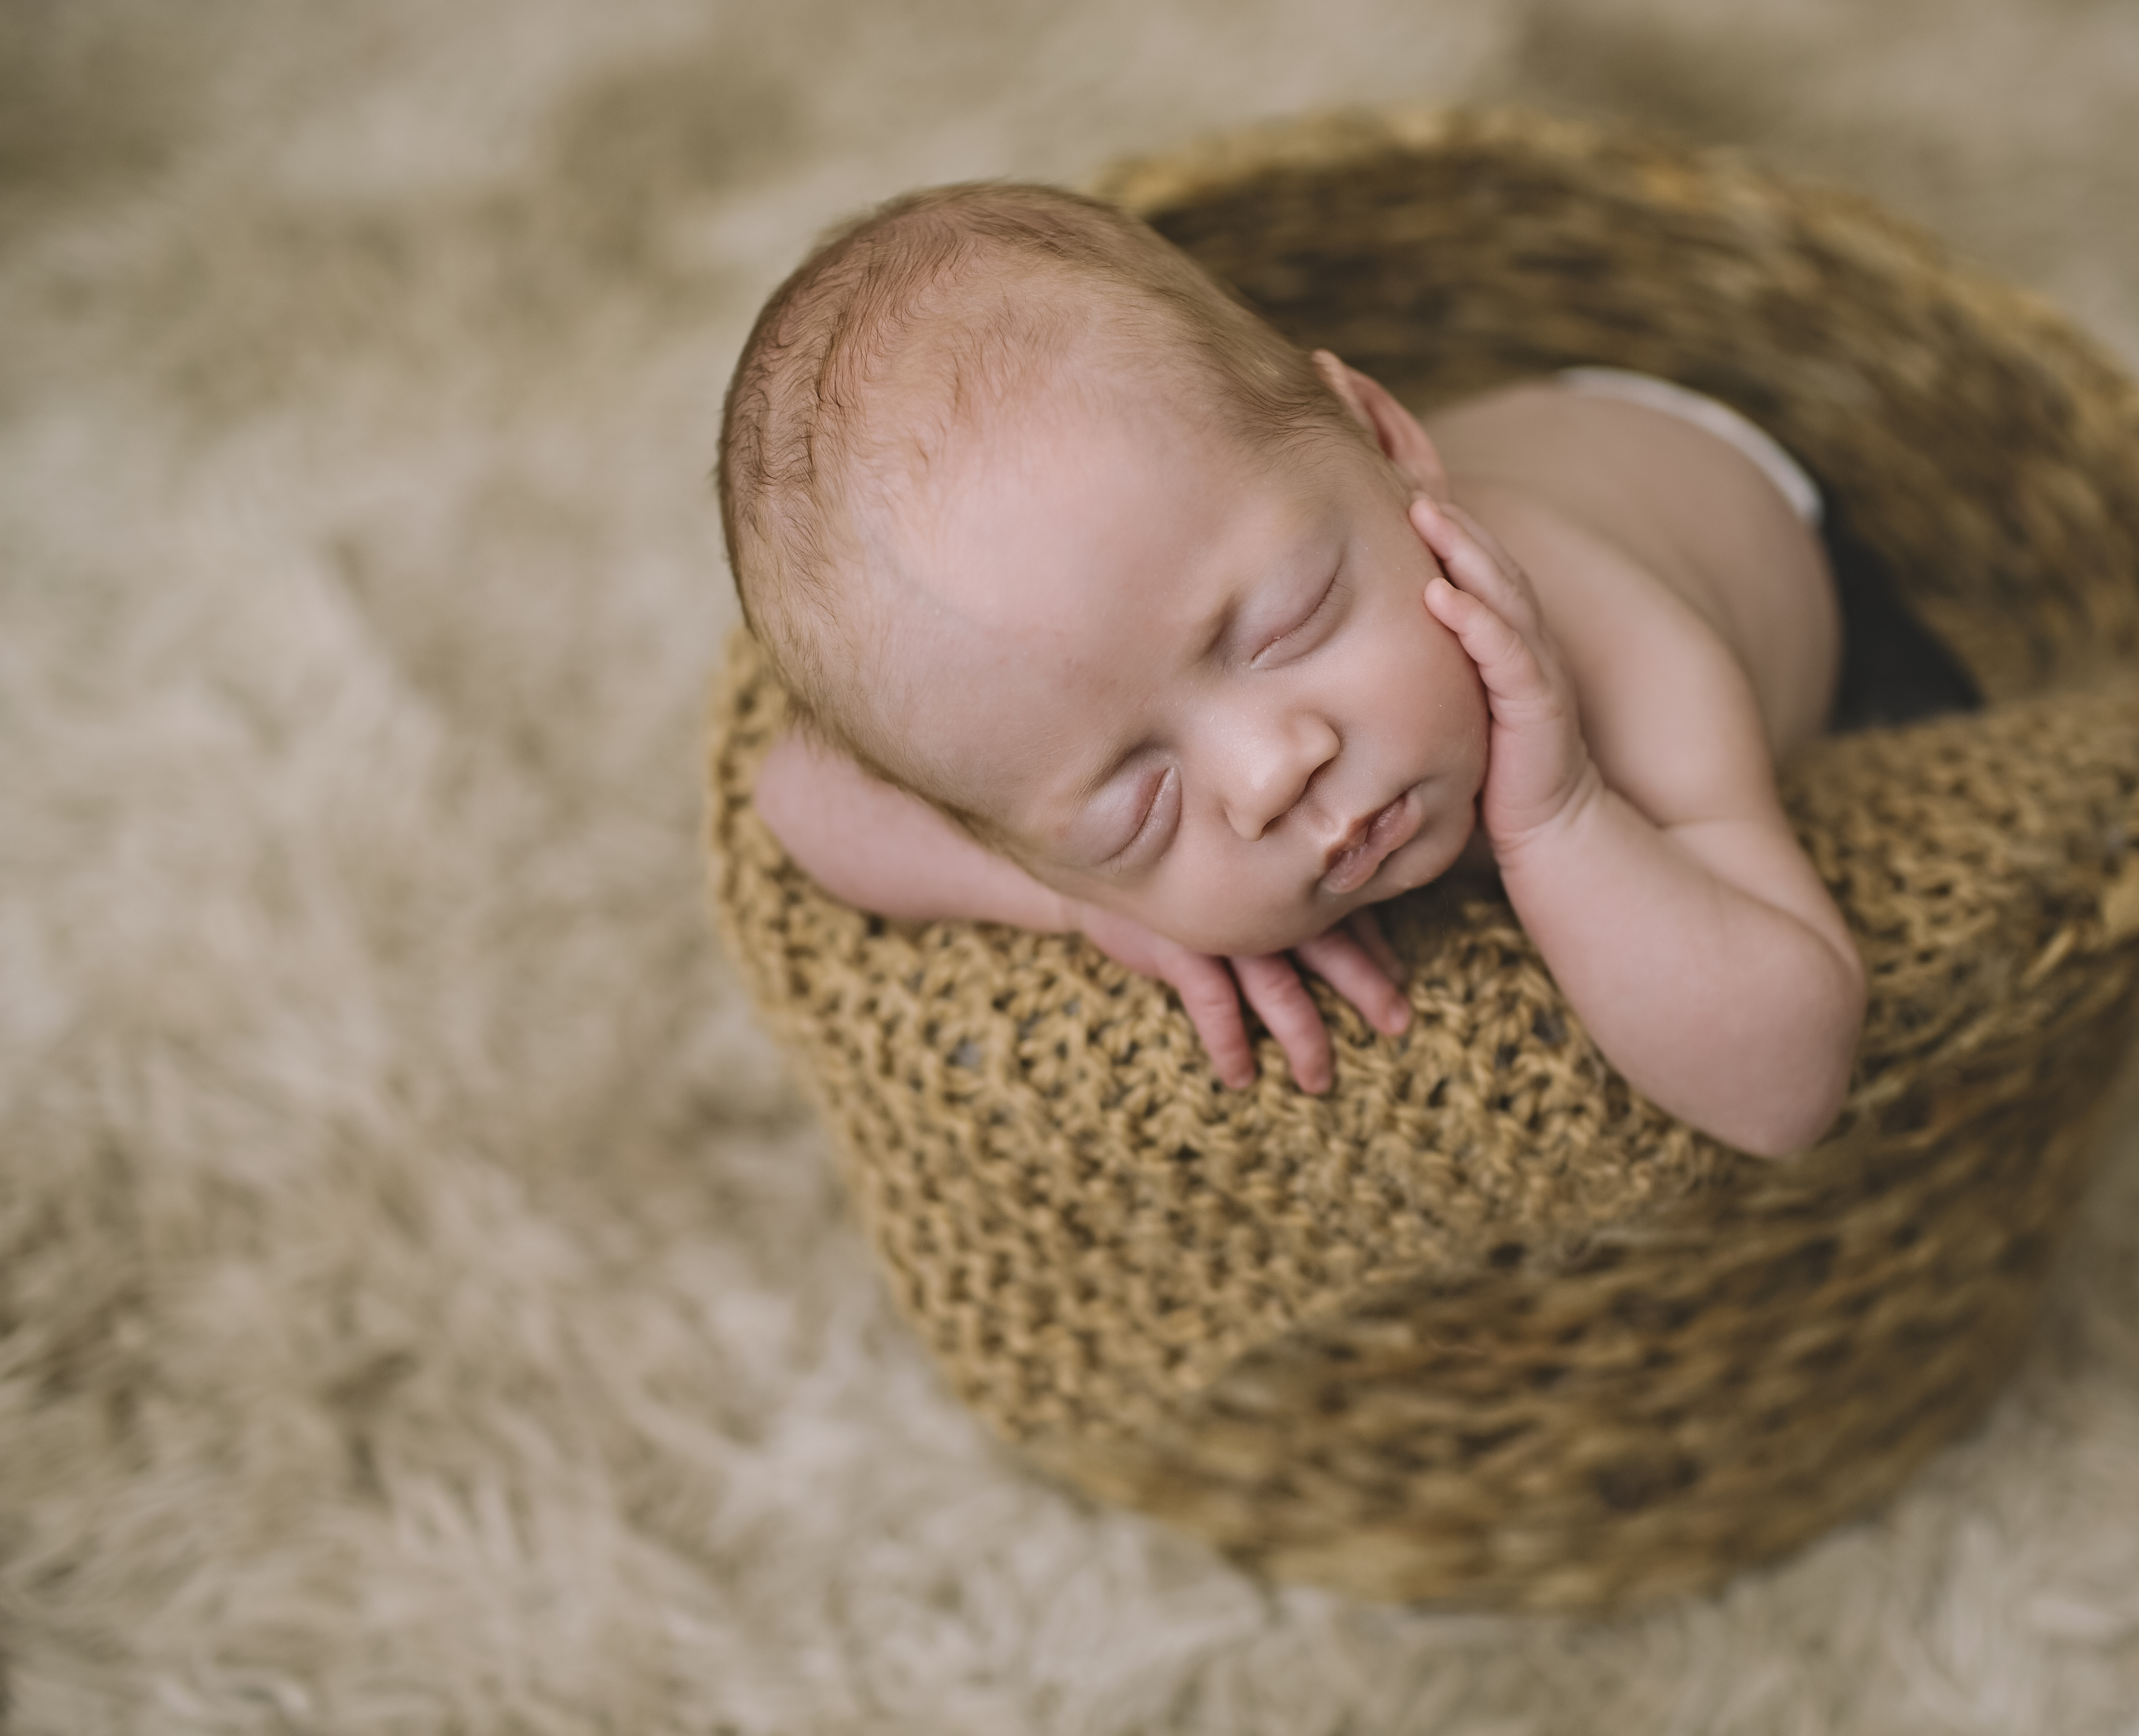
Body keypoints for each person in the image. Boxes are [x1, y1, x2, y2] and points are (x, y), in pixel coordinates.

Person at [717, 182, 1866, 1158]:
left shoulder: (1628, 654)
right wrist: (1078, 901)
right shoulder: (1070, 761)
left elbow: (1788, 1087)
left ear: (1382, 435)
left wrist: (1561, 817)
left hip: (1736, 490)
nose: (1270, 776)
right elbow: (799, 797)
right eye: (1136, 809)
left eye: (1284, 624)